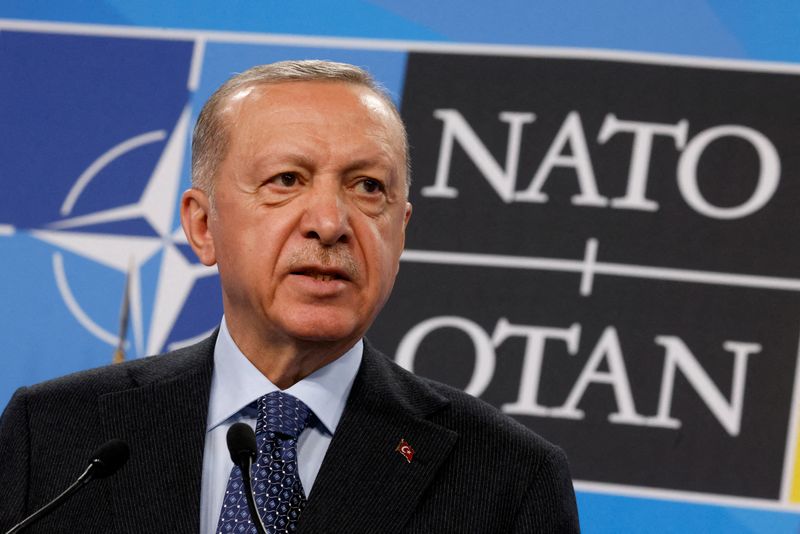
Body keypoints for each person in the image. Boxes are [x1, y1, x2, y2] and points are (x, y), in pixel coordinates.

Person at [0, 60, 580, 533]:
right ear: (203, 226)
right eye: (287, 180)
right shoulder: (54, 434)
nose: (329, 222)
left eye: (367, 187)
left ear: (400, 232)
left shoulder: (507, 478)